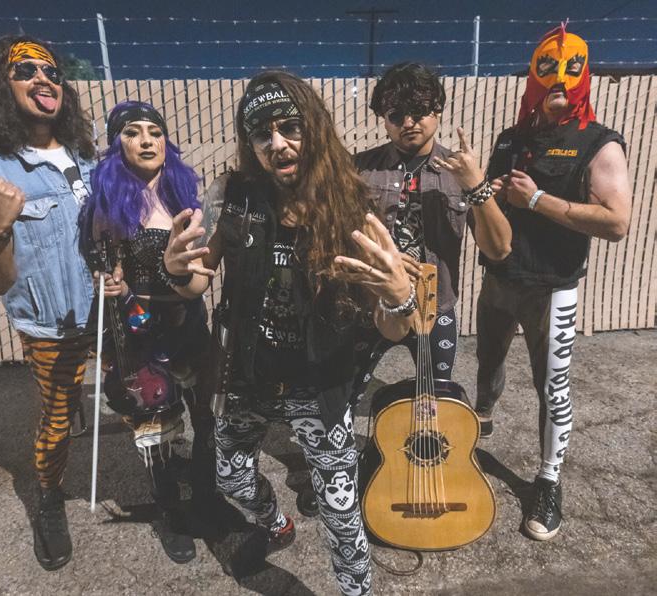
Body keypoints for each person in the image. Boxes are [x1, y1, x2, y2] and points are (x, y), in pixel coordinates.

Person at [162, 70, 417, 595]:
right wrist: (177, 272)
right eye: (262, 133)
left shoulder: (355, 205)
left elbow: (393, 327)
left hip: (319, 383)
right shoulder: (235, 196)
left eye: (289, 127)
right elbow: (198, 279)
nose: (276, 143)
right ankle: (276, 525)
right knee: (231, 478)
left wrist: (399, 296)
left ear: (314, 128)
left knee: (340, 512)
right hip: (249, 375)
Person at [449, 24, 631, 541]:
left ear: (585, 74)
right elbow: (485, 201)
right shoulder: (512, 139)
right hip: (499, 279)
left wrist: (535, 200)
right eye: (547, 67)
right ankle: (482, 417)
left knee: (551, 387)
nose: (559, 79)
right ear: (533, 74)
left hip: (553, 288)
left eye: (571, 68)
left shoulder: (599, 142)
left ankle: (549, 480)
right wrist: (484, 191)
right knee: (488, 363)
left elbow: (617, 222)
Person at [0, 36, 96, 570]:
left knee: (144, 398)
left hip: (110, 311)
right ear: (1, 86)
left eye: (53, 72)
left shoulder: (88, 158)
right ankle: (50, 497)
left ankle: (165, 483)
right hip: (51, 325)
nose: (43, 79)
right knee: (56, 425)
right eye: (26, 70)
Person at [78, 100, 218, 563]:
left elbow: (202, 266)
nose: (146, 141)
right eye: (133, 132)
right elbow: (100, 262)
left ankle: (206, 497)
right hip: (139, 329)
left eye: (155, 132)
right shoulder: (106, 205)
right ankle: (170, 512)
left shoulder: (183, 193)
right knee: (154, 424)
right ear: (117, 144)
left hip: (189, 323)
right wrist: (109, 282)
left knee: (206, 416)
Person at [352, 62, 511, 403]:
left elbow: (499, 250)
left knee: (433, 398)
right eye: (396, 115)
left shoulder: (460, 171)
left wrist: (476, 186)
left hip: (435, 305)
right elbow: (336, 238)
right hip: (372, 302)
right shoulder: (359, 169)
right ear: (384, 119)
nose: (408, 122)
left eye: (419, 111)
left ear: (437, 110)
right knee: (347, 395)